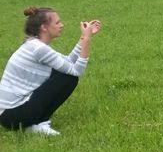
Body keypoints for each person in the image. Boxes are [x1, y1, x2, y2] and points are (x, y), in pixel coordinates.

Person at [0, 7, 102, 135]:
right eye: (57, 22)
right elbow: (77, 71)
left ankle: (34, 123)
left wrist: (83, 36)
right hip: (11, 116)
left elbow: (68, 62)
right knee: (69, 78)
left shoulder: (34, 44)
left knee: (64, 74)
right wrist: (86, 39)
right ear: (44, 27)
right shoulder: (39, 49)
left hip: (9, 115)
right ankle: (37, 122)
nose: (62, 25)